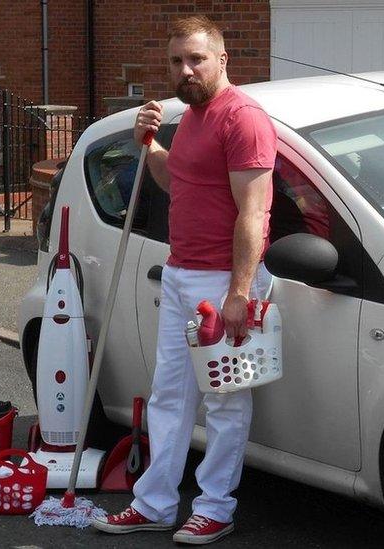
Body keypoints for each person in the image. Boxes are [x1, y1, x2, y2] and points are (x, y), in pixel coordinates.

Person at [92, 15, 277, 545]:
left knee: (224, 399)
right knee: (169, 394)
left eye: (196, 58)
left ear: (222, 60)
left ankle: (215, 506)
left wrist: (239, 293)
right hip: (179, 274)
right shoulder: (192, 117)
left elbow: (254, 213)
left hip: (222, 282)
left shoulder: (241, 117)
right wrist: (148, 144)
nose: (185, 69)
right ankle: (155, 502)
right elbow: (177, 181)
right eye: (176, 60)